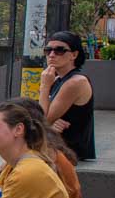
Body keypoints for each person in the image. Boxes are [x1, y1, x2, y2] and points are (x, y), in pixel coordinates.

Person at [39, 31, 95, 161]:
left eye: (59, 50)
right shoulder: (57, 79)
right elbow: (42, 116)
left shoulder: (75, 82)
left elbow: (42, 120)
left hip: (69, 151)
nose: (52, 55)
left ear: (74, 55)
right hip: (55, 146)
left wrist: (44, 87)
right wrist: (50, 124)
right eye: (48, 50)